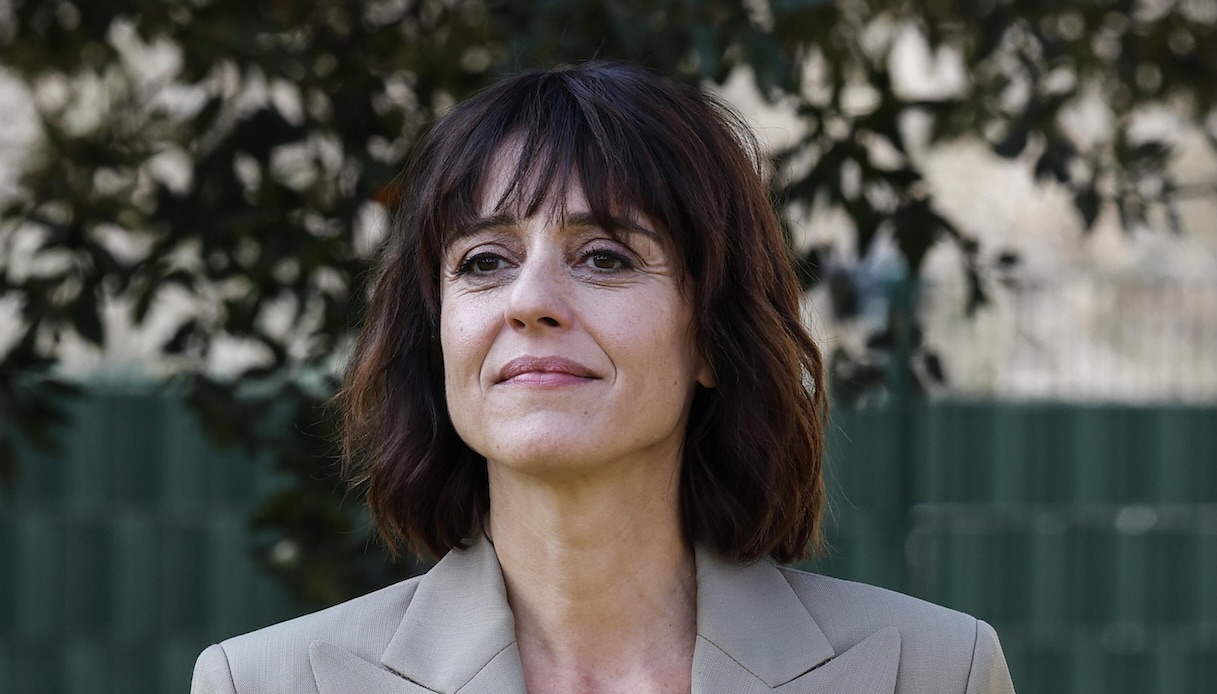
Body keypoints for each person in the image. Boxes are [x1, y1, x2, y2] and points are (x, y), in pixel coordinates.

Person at [191, 60, 1015, 694]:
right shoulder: (262, 684)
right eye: (484, 261)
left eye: (605, 257)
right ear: (436, 336)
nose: (530, 302)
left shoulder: (933, 672)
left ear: (711, 337)